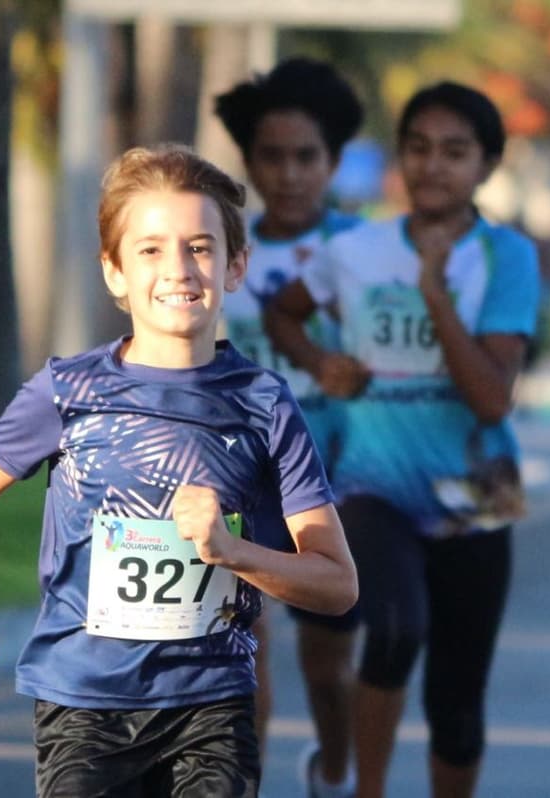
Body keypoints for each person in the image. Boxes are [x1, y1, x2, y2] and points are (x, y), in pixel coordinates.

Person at [0, 144, 358, 798]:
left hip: (212, 705)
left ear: (236, 265)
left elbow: (336, 584)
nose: (178, 269)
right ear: (114, 271)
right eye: (151, 249)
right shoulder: (68, 391)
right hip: (83, 706)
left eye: (200, 247)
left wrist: (233, 552)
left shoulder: (263, 403)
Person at [265, 81, 539, 798]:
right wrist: (323, 362)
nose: (433, 166)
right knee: (393, 632)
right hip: (370, 485)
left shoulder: (508, 257)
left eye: (455, 152)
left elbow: (490, 397)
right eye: (418, 148)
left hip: (476, 492)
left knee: (457, 701)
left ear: (487, 165)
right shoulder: (356, 249)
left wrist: (436, 294)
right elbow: (282, 315)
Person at [214, 56, 364, 795]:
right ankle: (248, 782)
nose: (290, 173)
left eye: (307, 157)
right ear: (248, 161)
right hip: (236, 468)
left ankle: (334, 771)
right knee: (246, 648)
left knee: (327, 664)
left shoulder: (364, 254)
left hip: (333, 470)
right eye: (271, 156)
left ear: (333, 161)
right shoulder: (212, 247)